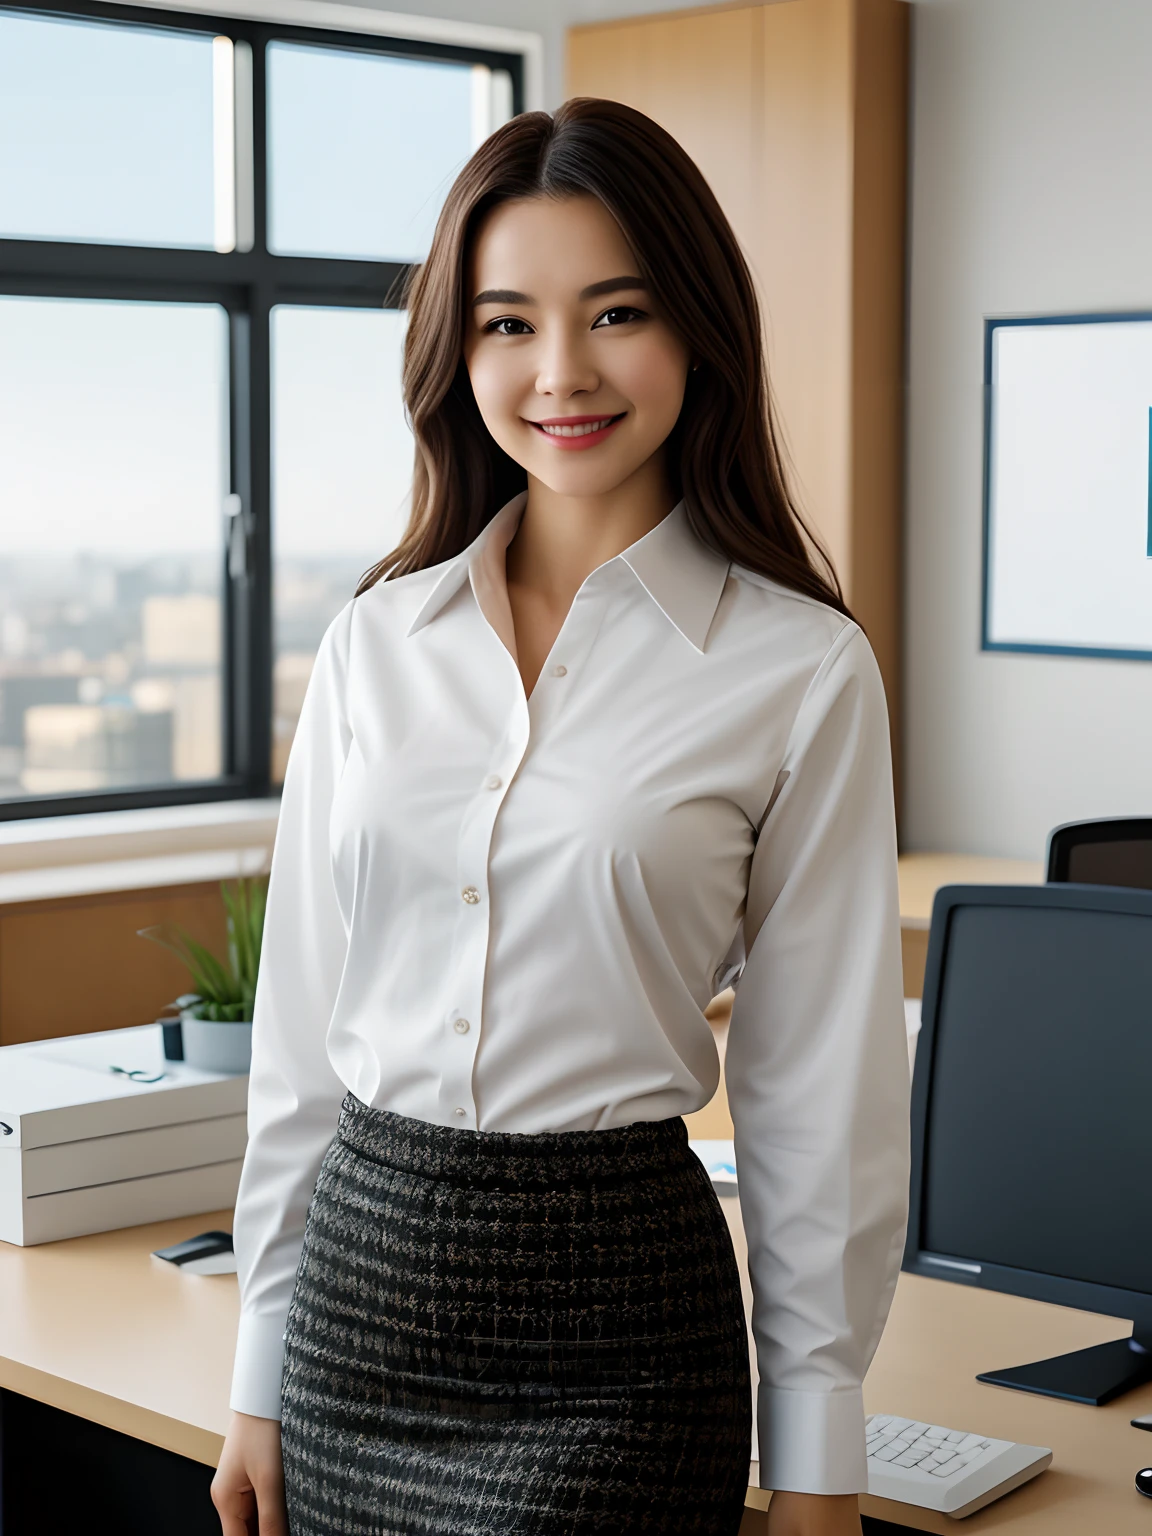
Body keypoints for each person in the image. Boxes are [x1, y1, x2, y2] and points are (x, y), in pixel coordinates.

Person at [211, 98, 909, 1536]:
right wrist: (256, 1376)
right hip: (361, 1322)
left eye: (616, 312)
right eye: (507, 323)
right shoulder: (375, 646)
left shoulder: (801, 670)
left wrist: (824, 1468)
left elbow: (816, 1096)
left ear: (696, 328)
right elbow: (301, 1042)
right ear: (455, 351)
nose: (562, 372)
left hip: (624, 1342)